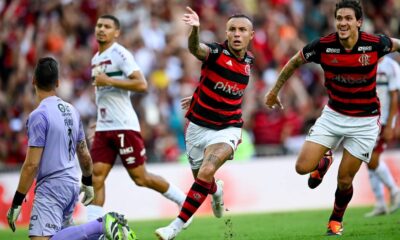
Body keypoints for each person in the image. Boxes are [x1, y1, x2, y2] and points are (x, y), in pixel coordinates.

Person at [264, 0, 400, 236]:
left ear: (359, 22)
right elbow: (295, 60)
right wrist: (274, 91)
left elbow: (398, 45)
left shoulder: (375, 43)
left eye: (348, 18)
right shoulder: (324, 46)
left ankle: (335, 221)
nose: (343, 23)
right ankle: (324, 158)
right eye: (339, 18)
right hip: (333, 115)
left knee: (345, 180)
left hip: (365, 122)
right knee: (301, 167)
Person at [6, 57, 136, 240]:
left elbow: (31, 165)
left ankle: (102, 224)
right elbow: (83, 152)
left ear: (33, 80)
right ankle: (100, 237)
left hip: (51, 187)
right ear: (58, 83)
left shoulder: (38, 116)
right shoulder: (71, 110)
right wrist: (87, 181)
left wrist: (17, 200)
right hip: (71, 185)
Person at [155, 6, 254, 240]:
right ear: (226, 33)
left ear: (251, 35)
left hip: (227, 129)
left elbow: (228, 87)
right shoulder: (216, 53)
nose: (237, 34)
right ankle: (216, 191)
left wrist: (200, 93)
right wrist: (195, 30)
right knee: (203, 178)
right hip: (197, 128)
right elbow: (194, 48)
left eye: (242, 30)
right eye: (232, 30)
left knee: (207, 170)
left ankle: (175, 227)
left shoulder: (249, 60)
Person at [87, 14, 189, 224]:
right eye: (99, 25)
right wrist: (100, 118)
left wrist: (109, 80)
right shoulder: (95, 59)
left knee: (140, 178)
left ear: (117, 33)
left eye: (107, 26)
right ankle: (92, 230)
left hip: (124, 126)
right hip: (105, 127)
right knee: (96, 176)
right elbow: (103, 94)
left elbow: (142, 84)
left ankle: (183, 201)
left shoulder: (120, 54)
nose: (101, 29)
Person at [365, 55, 400, 217]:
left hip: (383, 120)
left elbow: (395, 97)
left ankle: (395, 191)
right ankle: (380, 203)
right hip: (368, 119)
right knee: (367, 159)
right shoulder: (366, 62)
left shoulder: (391, 66)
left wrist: (392, 124)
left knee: (372, 159)